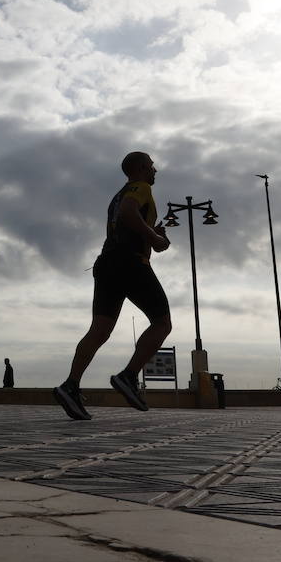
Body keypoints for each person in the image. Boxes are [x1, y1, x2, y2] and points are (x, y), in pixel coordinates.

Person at [53, 151, 171, 420]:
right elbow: (131, 214)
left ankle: (70, 385)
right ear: (142, 168)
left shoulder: (117, 195)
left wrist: (155, 236)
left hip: (106, 263)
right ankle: (128, 376)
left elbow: (127, 220)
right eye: (152, 167)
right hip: (130, 263)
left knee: (100, 330)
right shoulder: (140, 188)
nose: (156, 171)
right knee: (162, 323)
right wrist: (153, 238)